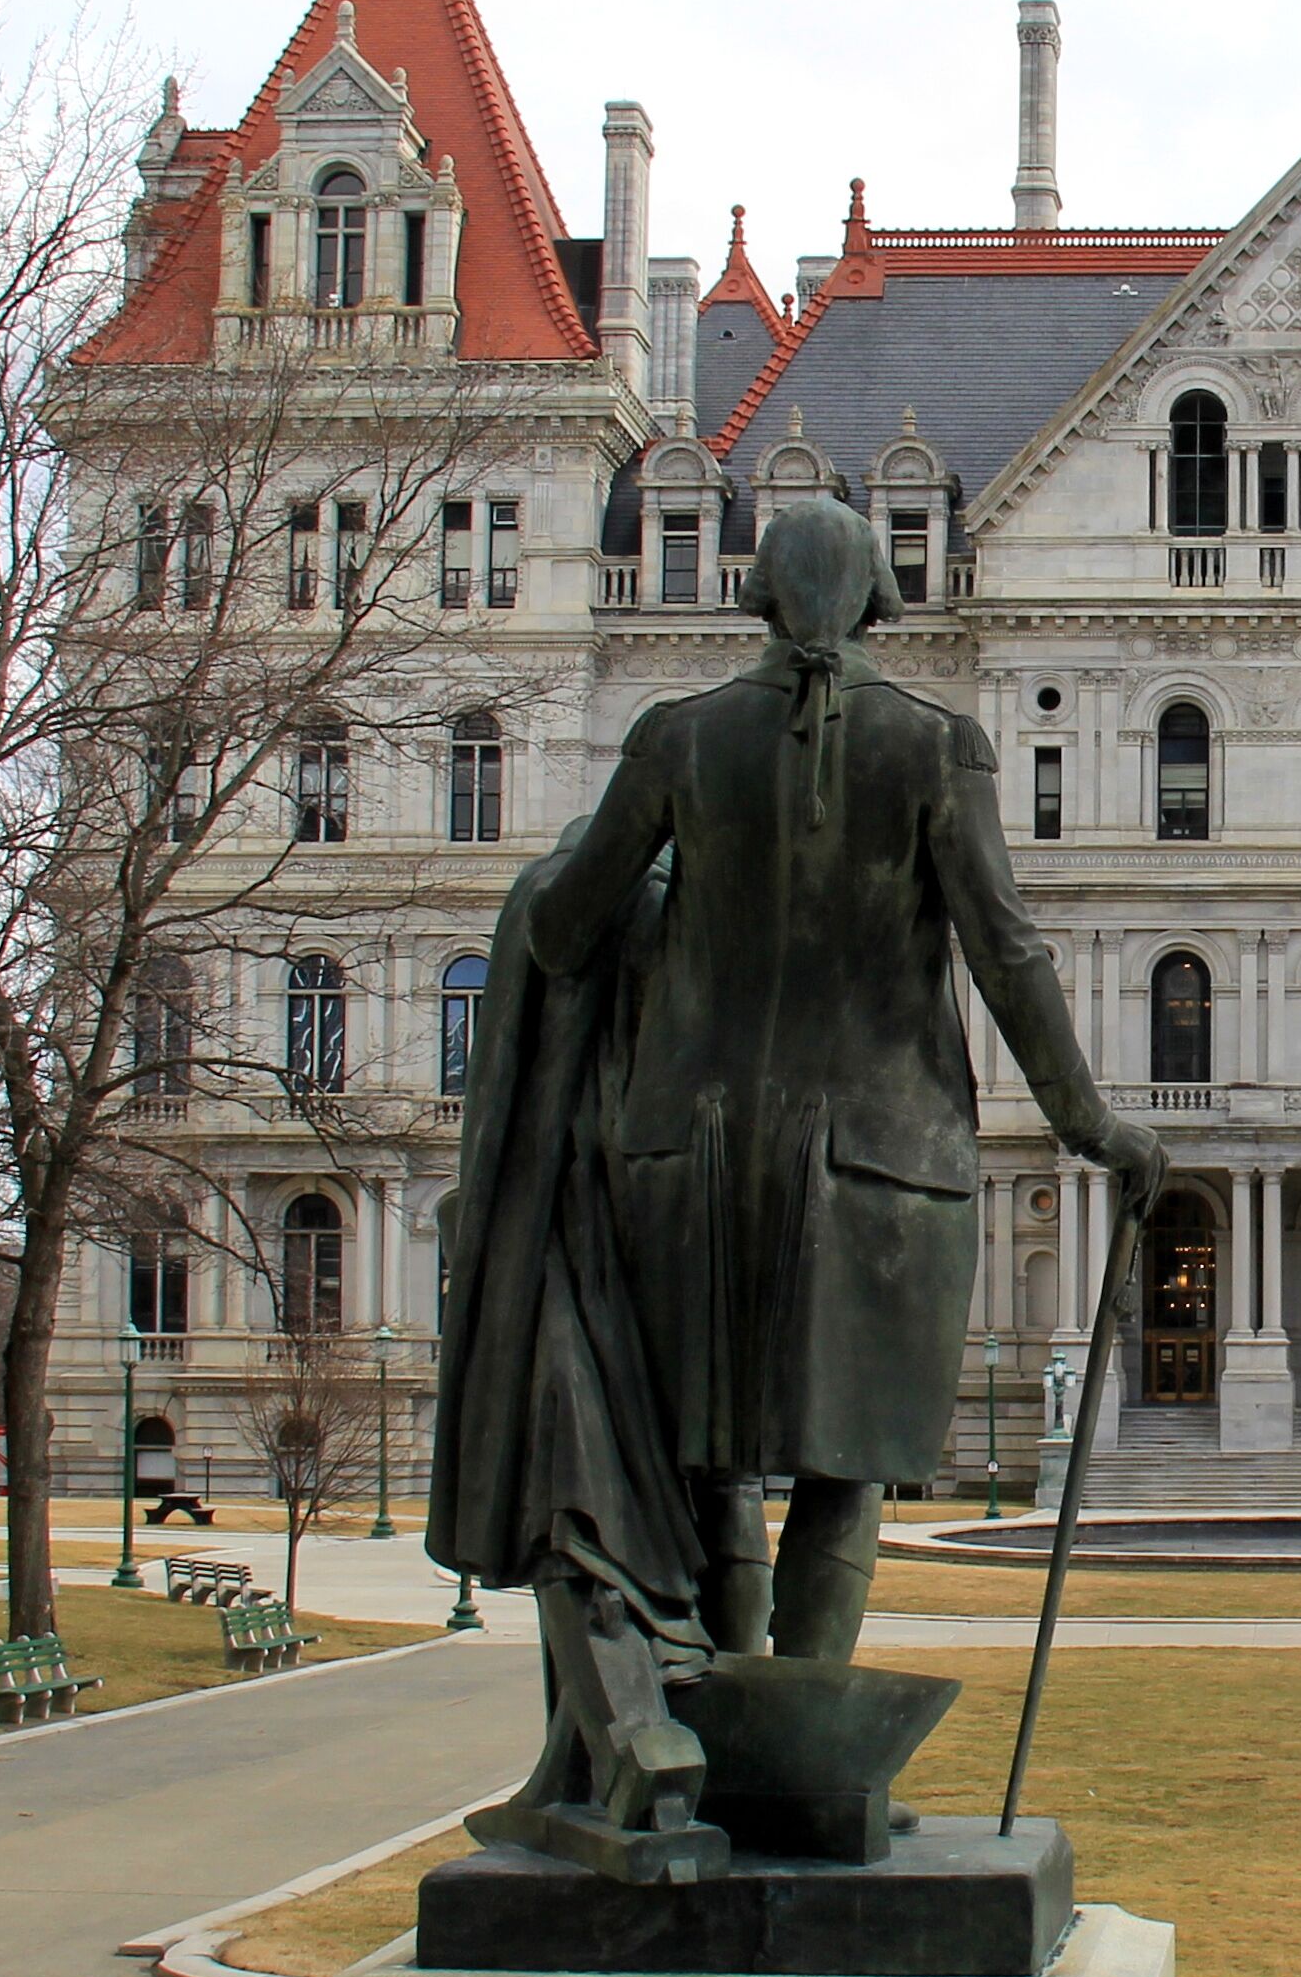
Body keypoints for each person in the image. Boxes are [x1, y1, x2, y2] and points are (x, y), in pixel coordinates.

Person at [434, 501, 1162, 1879]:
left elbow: (567, 923)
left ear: (761, 597)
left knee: (708, 1459)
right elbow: (1007, 954)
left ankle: (715, 1749)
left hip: (686, 1152)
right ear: (883, 602)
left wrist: (650, 889)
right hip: (886, 1157)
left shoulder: (677, 737)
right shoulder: (938, 746)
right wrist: (1090, 1123)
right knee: (848, 1471)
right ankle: (811, 1776)